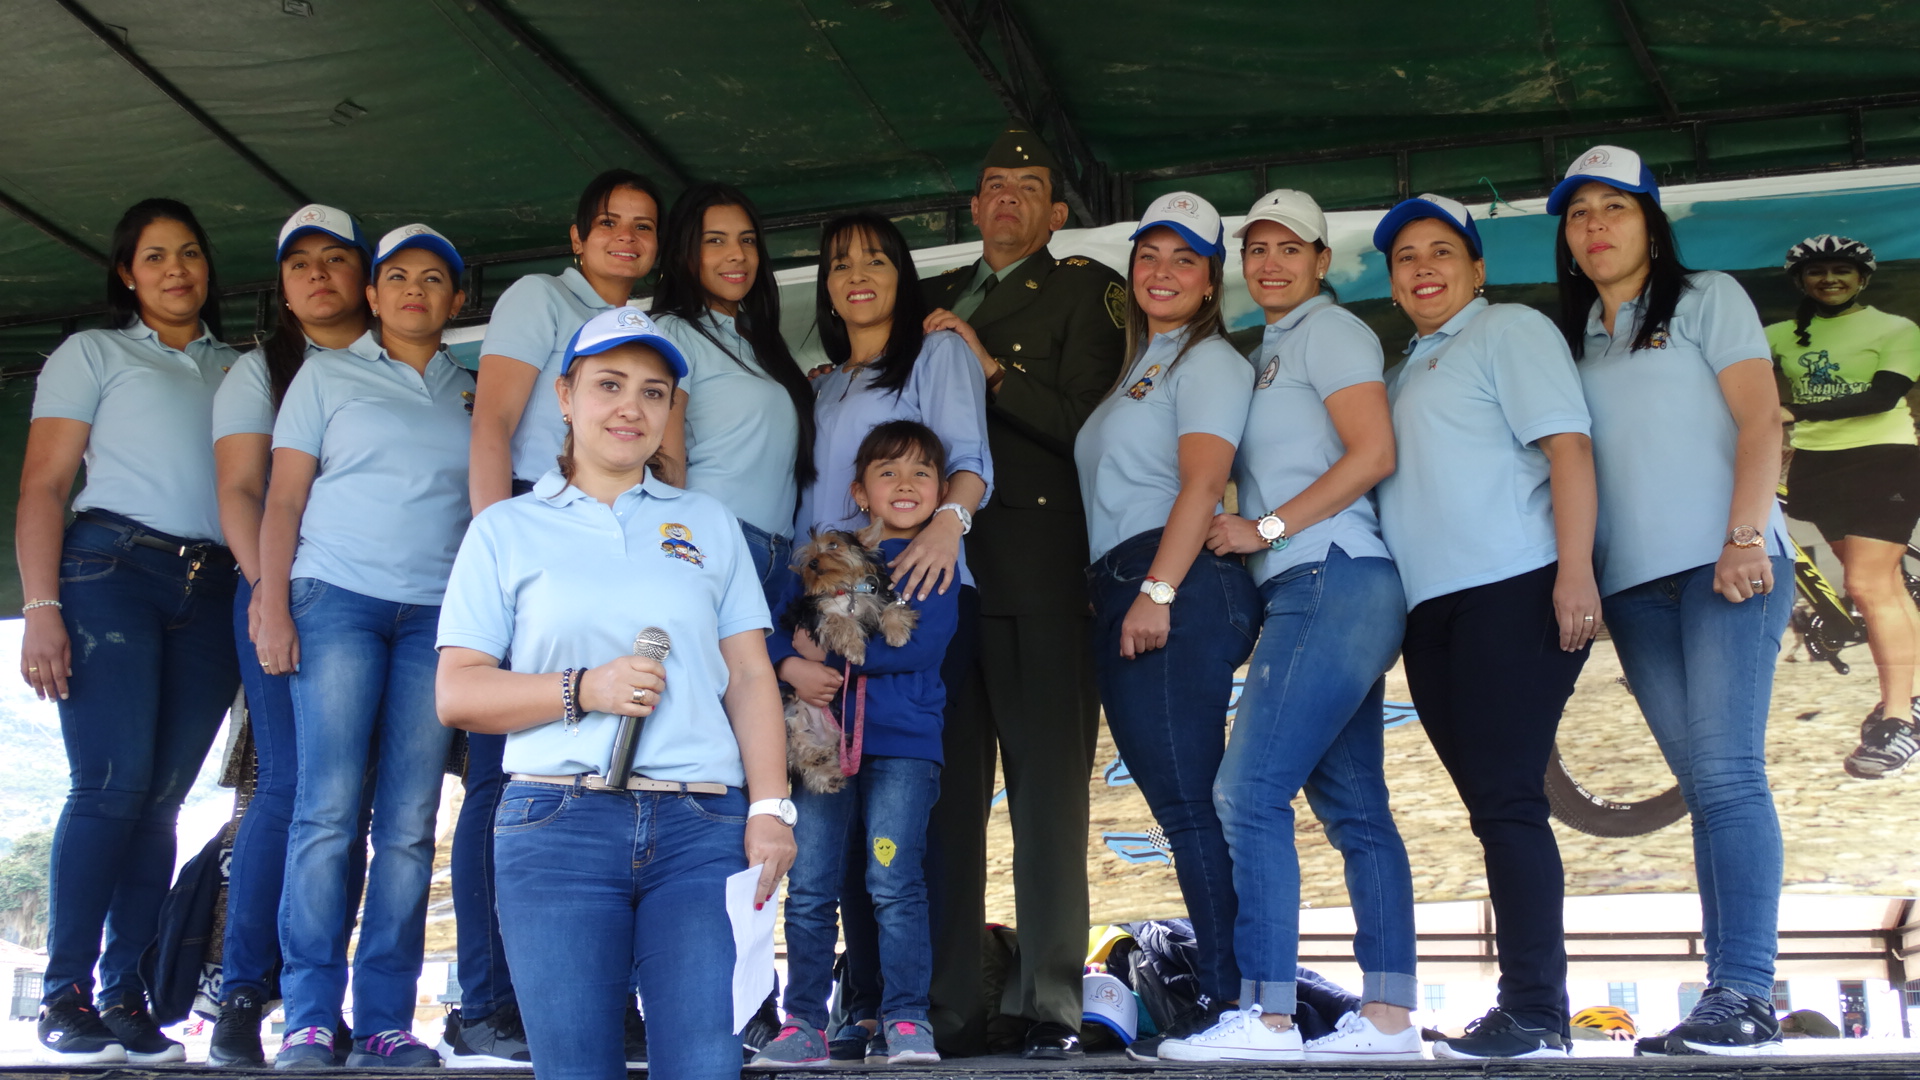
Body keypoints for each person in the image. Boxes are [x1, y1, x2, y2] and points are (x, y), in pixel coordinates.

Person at [435, 306, 796, 1080]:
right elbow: (457, 694)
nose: (631, 407)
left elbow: (751, 675)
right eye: (608, 384)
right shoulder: (504, 530)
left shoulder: (707, 521)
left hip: (705, 828)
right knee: (574, 1070)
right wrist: (583, 689)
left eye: (654, 391)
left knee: (705, 1067)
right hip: (555, 826)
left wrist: (770, 809)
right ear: (564, 397)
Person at [1161, 190, 1420, 1063]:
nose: (1270, 263)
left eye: (1289, 249)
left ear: (1321, 261)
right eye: (1256, 250)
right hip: (1319, 585)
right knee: (1353, 807)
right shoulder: (1270, 347)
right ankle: (1388, 1019)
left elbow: (1373, 453)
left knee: (1247, 792)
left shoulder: (1331, 332)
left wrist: (1265, 530)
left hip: (1332, 576)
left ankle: (1267, 1016)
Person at [1546, 145, 1794, 1054]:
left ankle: (1745, 993)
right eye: (1579, 214)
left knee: (1728, 776)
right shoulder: (1573, 339)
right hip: (1635, 591)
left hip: (1727, 568)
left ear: (1652, 222)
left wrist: (1741, 537)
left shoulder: (1705, 298)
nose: (1597, 225)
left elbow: (1761, 420)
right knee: (1706, 784)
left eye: (1616, 207)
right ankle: (1732, 998)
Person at [1371, 193, 1600, 1060]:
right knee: (1492, 810)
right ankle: (1530, 1007)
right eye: (1405, 258)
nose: (1423, 268)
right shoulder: (1406, 369)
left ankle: (1538, 1013)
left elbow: (1568, 449)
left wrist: (1574, 571)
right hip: (1433, 613)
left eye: (1442, 252)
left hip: (1515, 585)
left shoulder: (1509, 330)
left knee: (1508, 802)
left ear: (1477, 268)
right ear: (1392, 284)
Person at [917, 129, 1126, 1058]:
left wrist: (990, 368)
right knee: (944, 809)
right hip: (941, 587)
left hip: (1041, 576)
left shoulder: (1084, 289)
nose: (1006, 201)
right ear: (973, 207)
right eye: (992, 185)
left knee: (1048, 810)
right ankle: (951, 1009)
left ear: (1057, 212)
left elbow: (1090, 423)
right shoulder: (935, 302)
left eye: (1027, 187)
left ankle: (1050, 1005)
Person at [18, 198, 241, 1065]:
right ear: (127, 273)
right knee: (109, 783)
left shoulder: (241, 367)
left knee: (159, 803)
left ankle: (125, 996)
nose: (176, 269)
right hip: (111, 570)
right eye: (155, 256)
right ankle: (64, 993)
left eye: (189, 253)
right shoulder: (94, 352)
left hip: (214, 582)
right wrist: (40, 610)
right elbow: (42, 486)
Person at [253, 224, 474, 1067]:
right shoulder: (324, 374)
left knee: (412, 823)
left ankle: (384, 1019)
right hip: (335, 600)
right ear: (373, 296)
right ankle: (309, 1014)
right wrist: (272, 604)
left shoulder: (476, 389)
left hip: (435, 618)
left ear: (455, 301)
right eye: (398, 278)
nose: (415, 290)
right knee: (327, 813)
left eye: (434, 279)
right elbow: (281, 502)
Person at [456, 168, 662, 1064]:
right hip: (535, 551)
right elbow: (493, 428)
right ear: (577, 238)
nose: (626, 237)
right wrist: (490, 551)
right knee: (502, 781)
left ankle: (602, 999)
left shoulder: (649, 336)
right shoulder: (541, 296)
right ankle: (489, 1002)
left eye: (643, 227)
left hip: (615, 557)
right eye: (609, 224)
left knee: (612, 779)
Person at [800, 212, 992, 1062]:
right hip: (824, 604)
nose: (858, 275)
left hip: (913, 596)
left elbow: (969, 459)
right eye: (840, 264)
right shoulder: (821, 382)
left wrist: (946, 526)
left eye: (876, 259)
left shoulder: (935, 351)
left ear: (904, 271)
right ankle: (855, 1007)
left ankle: (922, 1011)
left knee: (902, 857)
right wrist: (796, 637)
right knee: (829, 867)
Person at [1071, 191, 1258, 1060]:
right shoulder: (1139, 365)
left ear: (1213, 276)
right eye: (1150, 255)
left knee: (1192, 809)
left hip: (1169, 580)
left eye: (1185, 258)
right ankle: (1237, 1000)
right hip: (1124, 582)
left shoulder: (1209, 361)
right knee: (1181, 806)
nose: (1163, 272)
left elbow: (1201, 484)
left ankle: (1238, 1004)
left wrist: (1159, 589)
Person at [207, 204, 373, 1067]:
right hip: (286, 597)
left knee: (350, 805)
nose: (318, 274)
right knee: (293, 790)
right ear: (281, 286)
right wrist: (269, 591)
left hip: (380, 607)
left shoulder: (403, 364)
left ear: (365, 274)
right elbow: (241, 489)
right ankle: (242, 992)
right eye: (299, 262)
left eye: (336, 258)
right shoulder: (260, 370)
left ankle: (322, 1005)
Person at [754, 420, 960, 1067]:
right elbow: (765, 628)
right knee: (811, 882)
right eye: (888, 474)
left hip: (903, 747)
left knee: (893, 881)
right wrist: (791, 665)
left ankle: (905, 1019)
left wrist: (836, 661)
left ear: (940, 490)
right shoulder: (826, 553)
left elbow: (918, 642)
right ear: (859, 491)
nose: (906, 485)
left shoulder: (934, 559)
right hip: (821, 748)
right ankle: (805, 1022)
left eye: (922, 473)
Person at [1767, 234, 1920, 777]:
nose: (1829, 279)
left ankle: (1899, 720)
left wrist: (1793, 413)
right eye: (1816, 272)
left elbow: (1883, 395)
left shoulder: (1896, 329)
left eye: (1842, 270)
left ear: (1863, 279)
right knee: (1885, 586)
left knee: (1866, 585)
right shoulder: (1779, 336)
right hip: (1819, 468)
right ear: (1800, 282)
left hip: (1885, 460)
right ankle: (1910, 693)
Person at [651, 182, 816, 602]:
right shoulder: (674, 331)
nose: (737, 254)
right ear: (684, 254)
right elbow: (666, 459)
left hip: (780, 553)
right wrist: (673, 551)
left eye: (747, 240)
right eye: (715, 241)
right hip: (715, 543)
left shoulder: (758, 341)